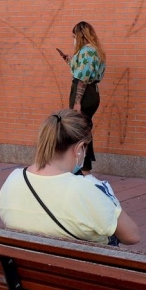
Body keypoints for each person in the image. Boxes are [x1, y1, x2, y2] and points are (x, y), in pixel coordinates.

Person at [0, 109, 140, 245]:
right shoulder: (85, 189)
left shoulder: (13, 180)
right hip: (81, 268)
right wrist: (108, 197)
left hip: (22, 268)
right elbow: (132, 236)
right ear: (79, 149)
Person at [58, 21, 105, 175]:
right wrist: (70, 60)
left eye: (74, 36)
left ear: (80, 36)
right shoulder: (94, 50)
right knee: (83, 128)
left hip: (84, 93)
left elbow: (83, 78)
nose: (73, 40)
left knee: (80, 130)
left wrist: (78, 101)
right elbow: (83, 70)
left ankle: (84, 169)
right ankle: (83, 167)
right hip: (91, 92)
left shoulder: (87, 51)